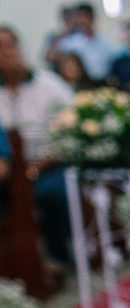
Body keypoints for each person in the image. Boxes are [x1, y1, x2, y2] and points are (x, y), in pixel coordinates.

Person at [0, 26, 75, 272]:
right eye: (0, 47)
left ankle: (58, 257)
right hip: (10, 168)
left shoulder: (48, 85)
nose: (7, 52)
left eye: (11, 45)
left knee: (49, 194)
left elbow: (71, 128)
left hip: (52, 163)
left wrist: (37, 166)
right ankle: (15, 268)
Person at [56, 3, 120, 83]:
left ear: (92, 18)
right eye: (78, 17)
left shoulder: (105, 44)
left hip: (101, 84)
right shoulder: (70, 43)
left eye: (84, 16)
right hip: (79, 84)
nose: (81, 20)